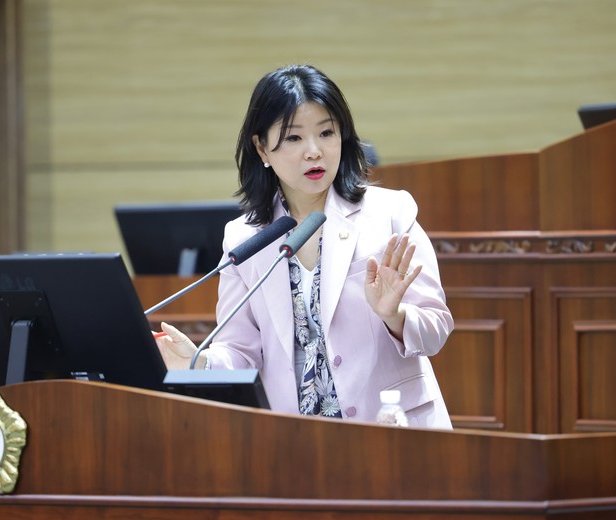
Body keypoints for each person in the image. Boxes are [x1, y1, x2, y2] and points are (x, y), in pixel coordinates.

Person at [157, 64, 454, 430]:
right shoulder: (244, 239)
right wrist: (199, 362)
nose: (314, 152)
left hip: (391, 429)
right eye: (294, 138)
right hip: (296, 441)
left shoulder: (390, 213)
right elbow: (240, 350)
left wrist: (395, 316)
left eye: (326, 133)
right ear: (261, 148)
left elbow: (436, 330)